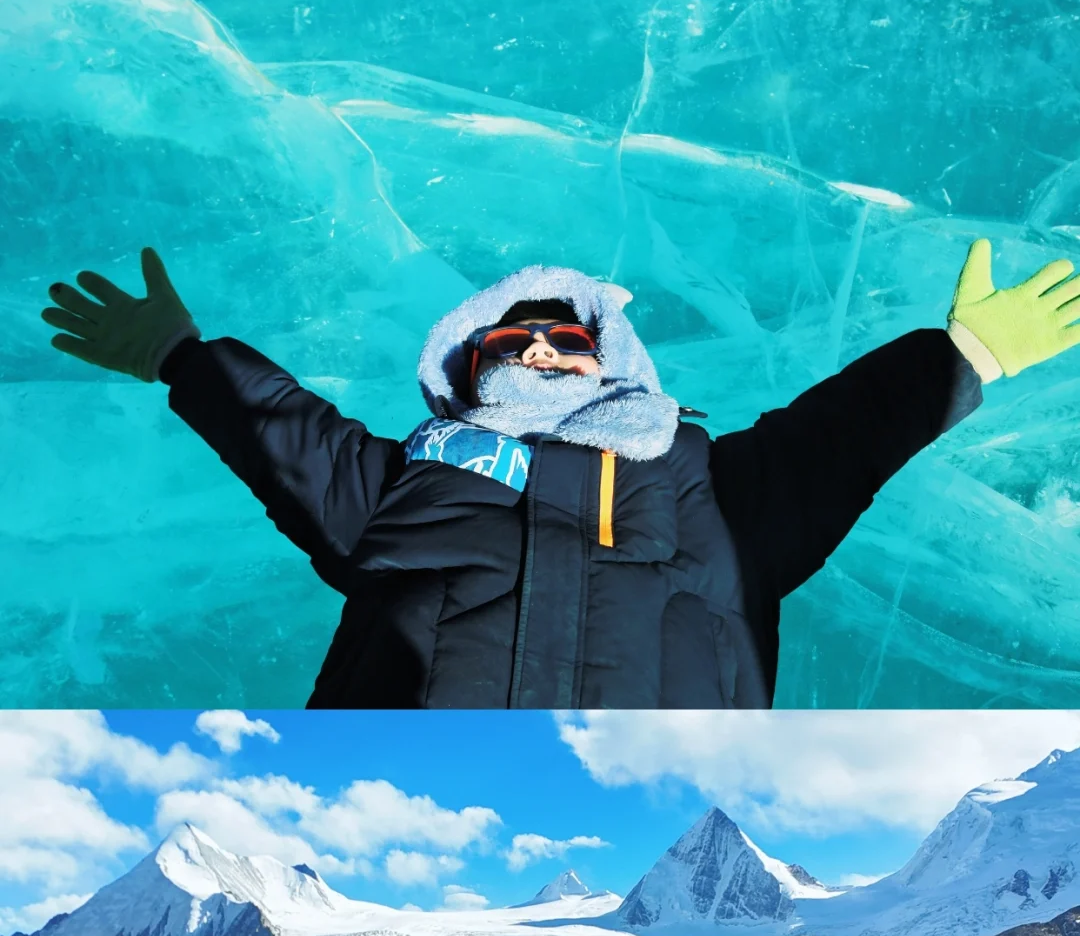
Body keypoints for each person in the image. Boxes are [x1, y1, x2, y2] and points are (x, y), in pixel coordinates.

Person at [41, 244, 1080, 708]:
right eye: (510, 339)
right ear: (469, 366)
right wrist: (182, 354)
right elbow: (283, 434)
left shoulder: (716, 488)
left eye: (565, 337)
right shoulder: (410, 482)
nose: (538, 346)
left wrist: (962, 357)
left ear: (611, 358)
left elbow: (844, 436)